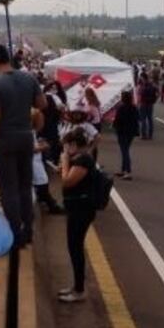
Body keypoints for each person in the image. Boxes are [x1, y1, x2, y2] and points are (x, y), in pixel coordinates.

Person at [0, 44, 47, 248]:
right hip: (26, 138)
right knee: (25, 187)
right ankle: (29, 230)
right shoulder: (29, 78)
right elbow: (42, 104)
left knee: (8, 190)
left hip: (6, 140)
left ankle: (15, 234)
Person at [58, 127, 98, 303]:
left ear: (73, 144)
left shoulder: (83, 160)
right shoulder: (81, 158)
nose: (65, 150)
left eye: (66, 147)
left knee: (75, 248)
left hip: (81, 210)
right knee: (74, 247)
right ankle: (76, 286)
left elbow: (67, 182)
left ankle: (80, 290)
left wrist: (65, 161)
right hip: (77, 209)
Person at [113, 90, 139, 180]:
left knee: (125, 152)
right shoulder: (134, 107)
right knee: (126, 150)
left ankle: (128, 172)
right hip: (131, 132)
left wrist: (115, 127)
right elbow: (137, 119)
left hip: (122, 131)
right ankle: (123, 170)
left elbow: (117, 120)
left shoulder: (121, 108)